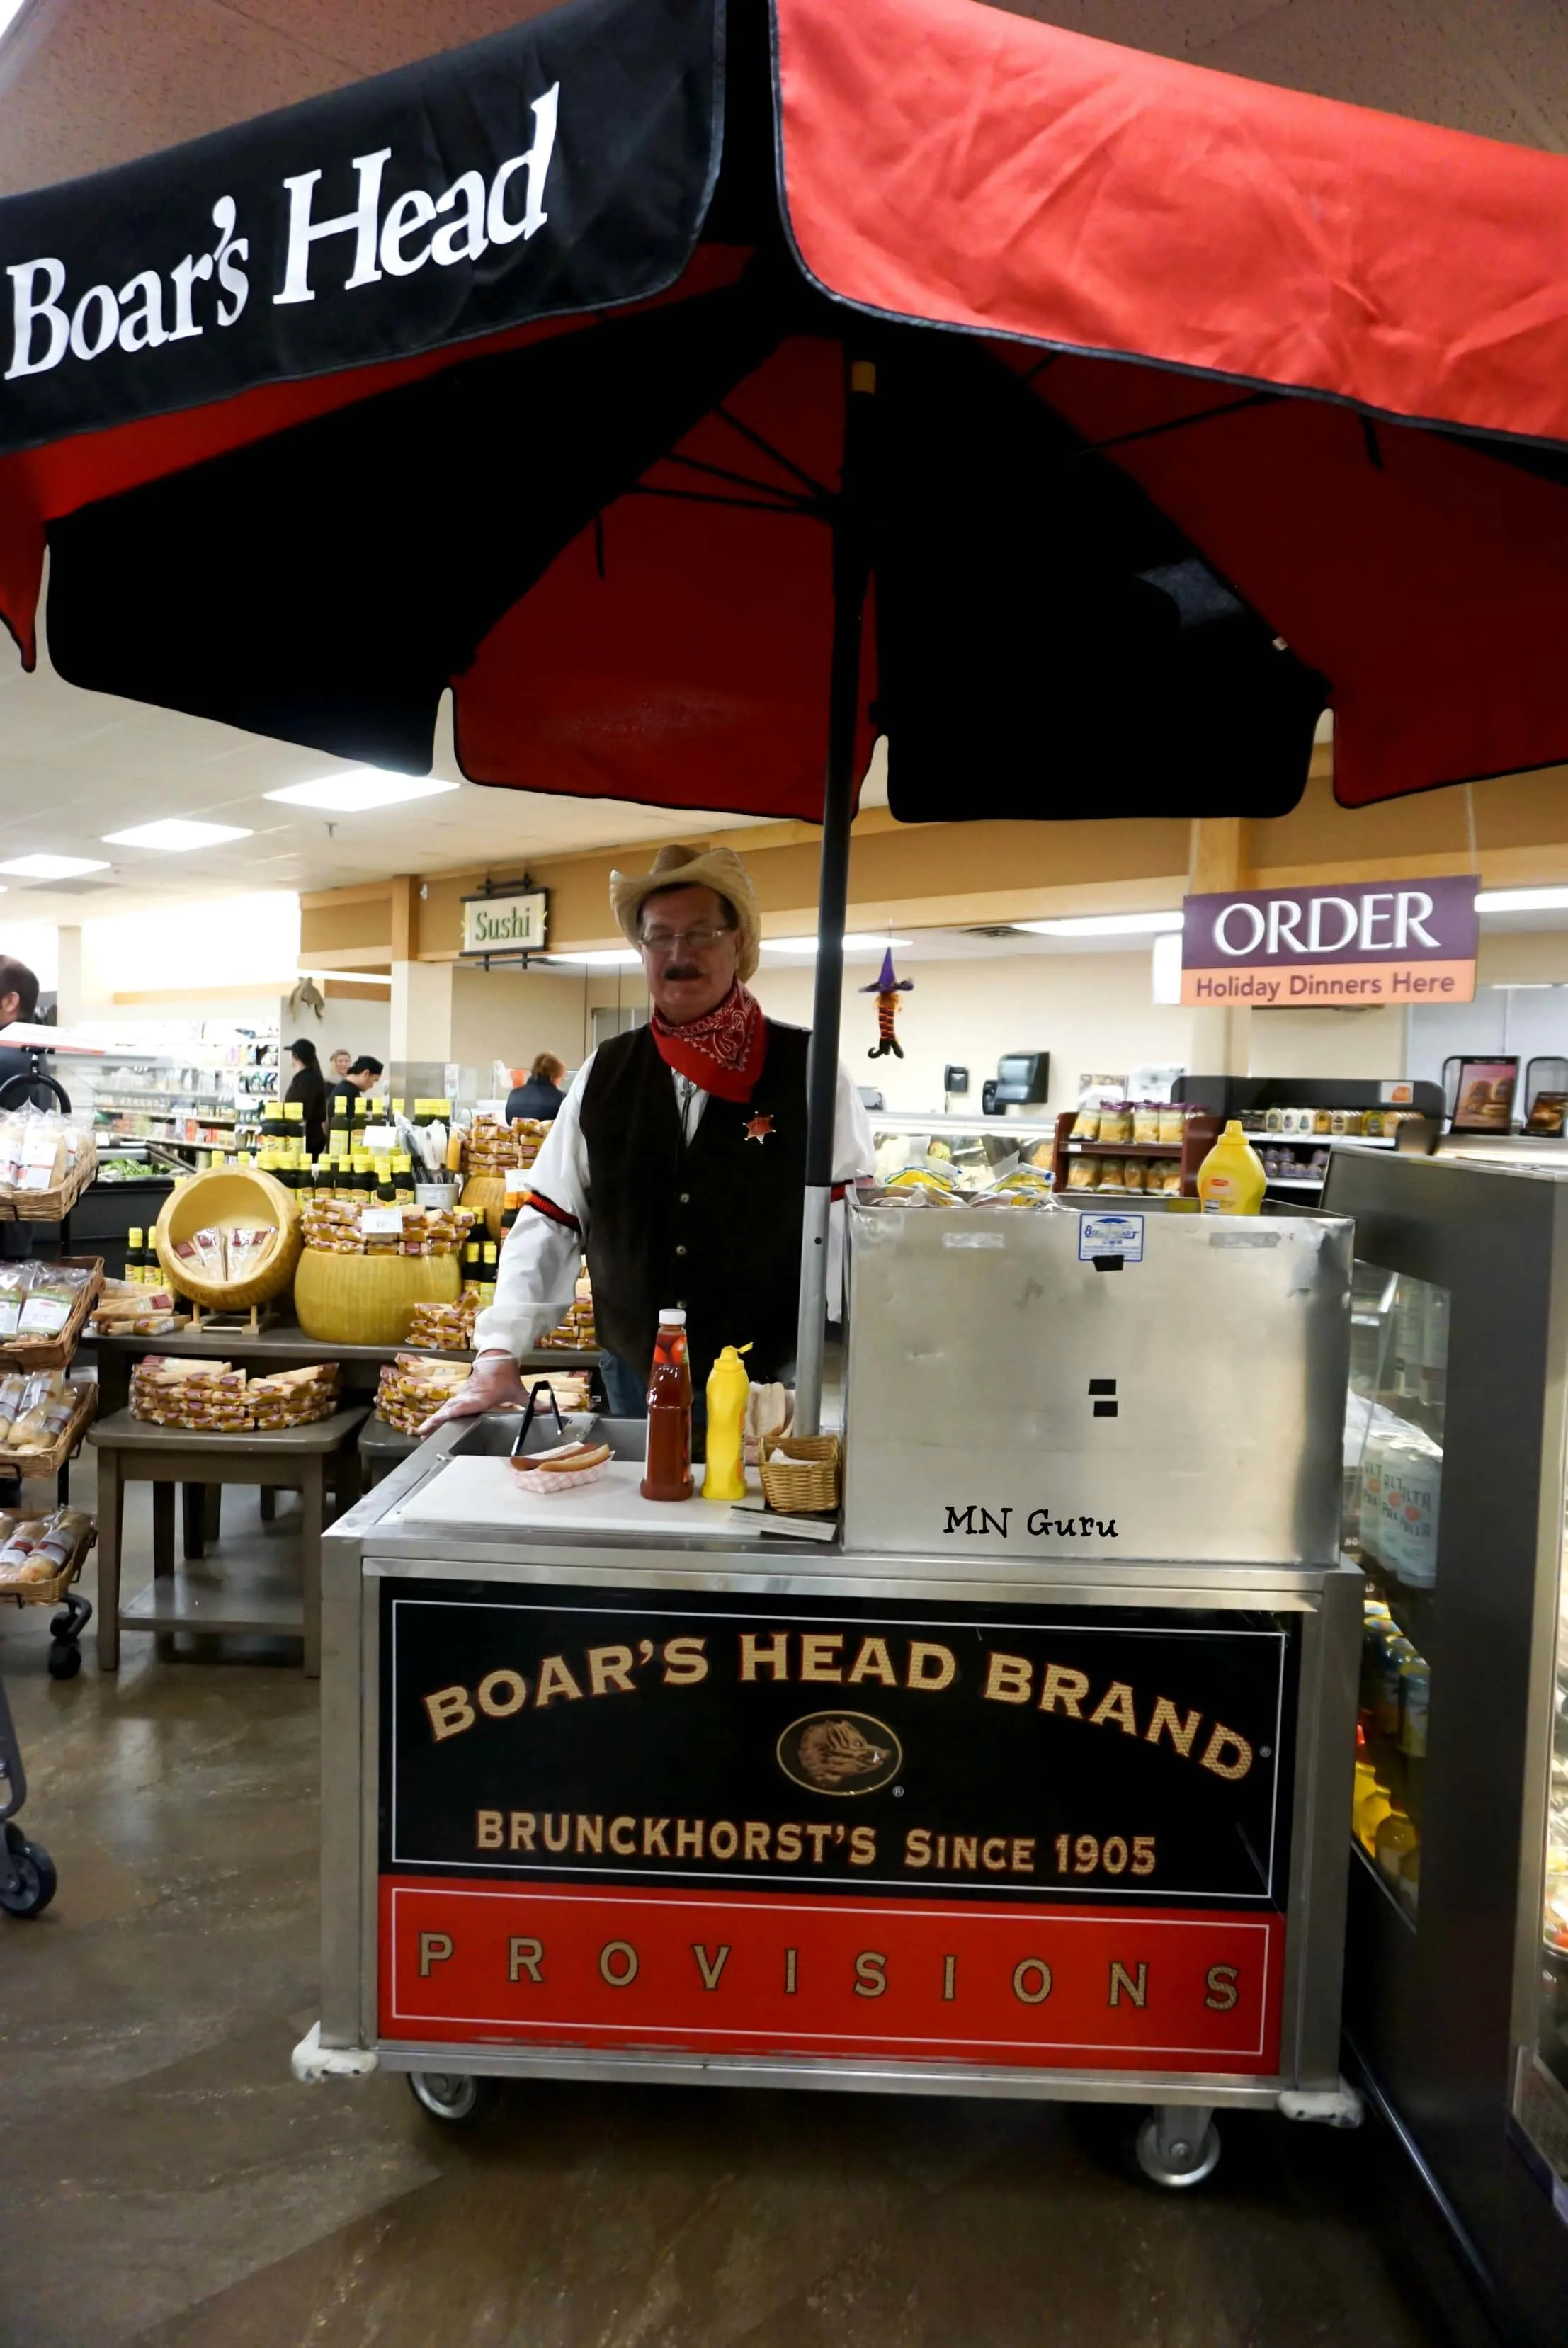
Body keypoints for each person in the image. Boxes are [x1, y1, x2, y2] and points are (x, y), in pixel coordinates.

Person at [425, 842, 874, 1427]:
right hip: (634, 1374)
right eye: (660, 937)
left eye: (701, 934)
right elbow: (551, 1218)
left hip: (764, 1383)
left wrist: (876, 1351)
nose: (678, 954)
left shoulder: (813, 1070)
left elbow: (854, 1229)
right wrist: (498, 1349)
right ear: (642, 950)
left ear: (737, 942)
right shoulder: (603, 1073)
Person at [284, 1038, 329, 1155]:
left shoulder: (305, 1081)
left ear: (296, 1056)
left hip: (305, 1140)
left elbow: (300, 1111)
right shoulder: (313, 1078)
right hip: (313, 1138)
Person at [506, 1053, 567, 1123]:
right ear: (553, 1076)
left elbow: (510, 1123)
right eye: (560, 1078)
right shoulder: (561, 1098)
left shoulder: (514, 1095)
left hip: (519, 1133)